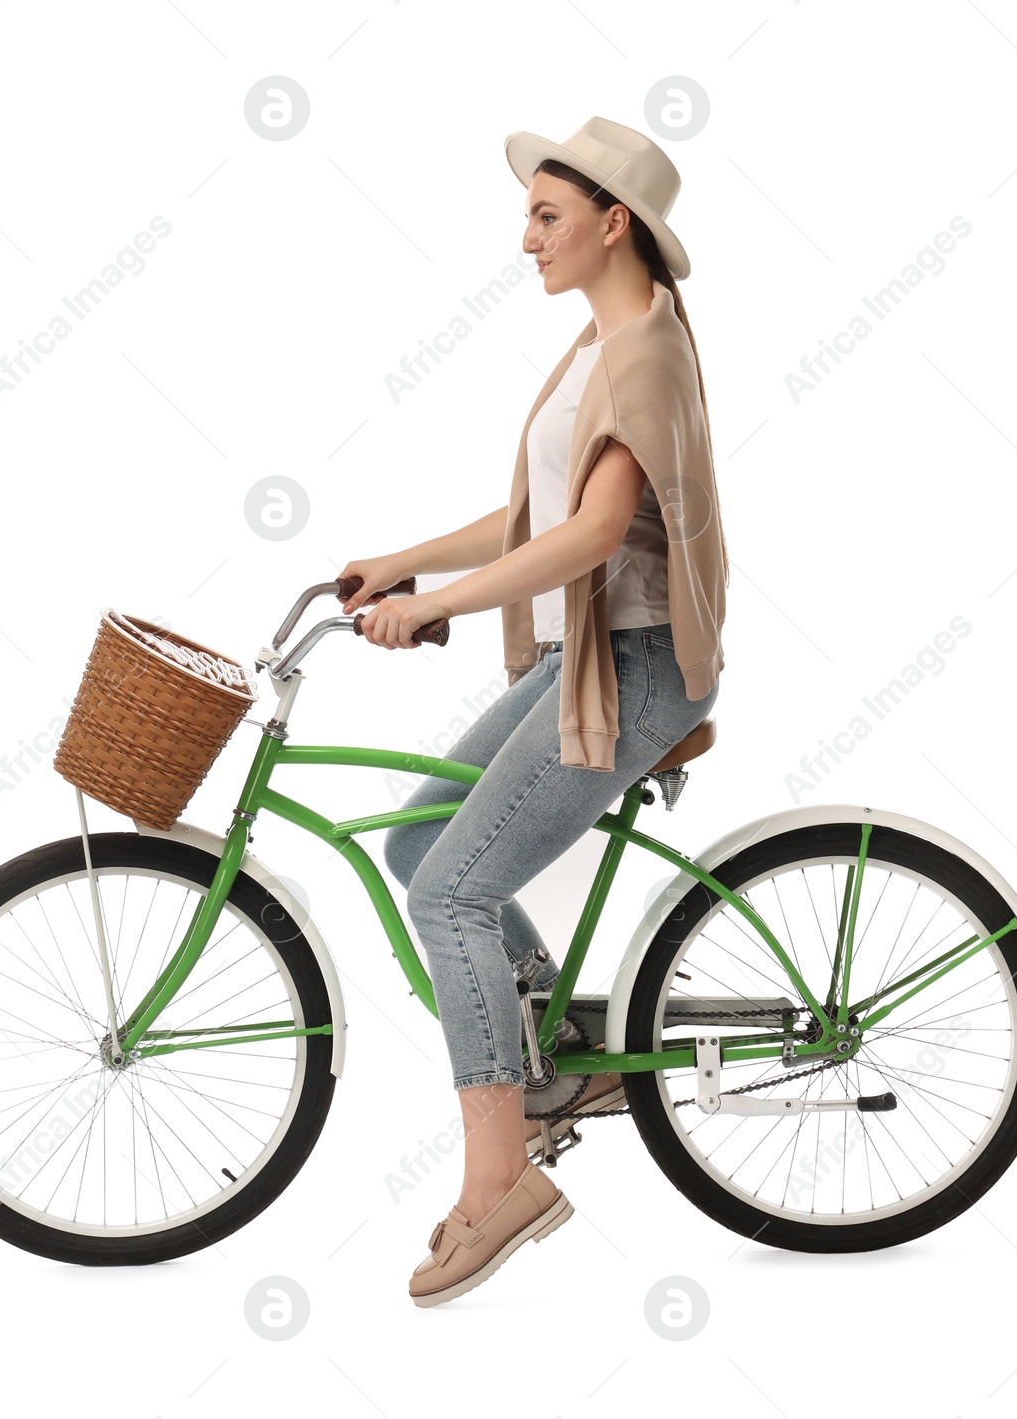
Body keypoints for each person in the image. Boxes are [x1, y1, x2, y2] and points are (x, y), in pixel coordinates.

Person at [338, 117, 729, 1307]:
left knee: (448, 891)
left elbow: (595, 536)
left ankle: (499, 1182)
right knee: (419, 846)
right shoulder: (595, 342)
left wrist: (438, 606)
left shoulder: (644, 352)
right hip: (575, 657)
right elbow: (535, 518)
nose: (525, 240)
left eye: (546, 217)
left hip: (639, 663)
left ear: (615, 223)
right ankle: (555, 1063)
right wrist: (401, 561)